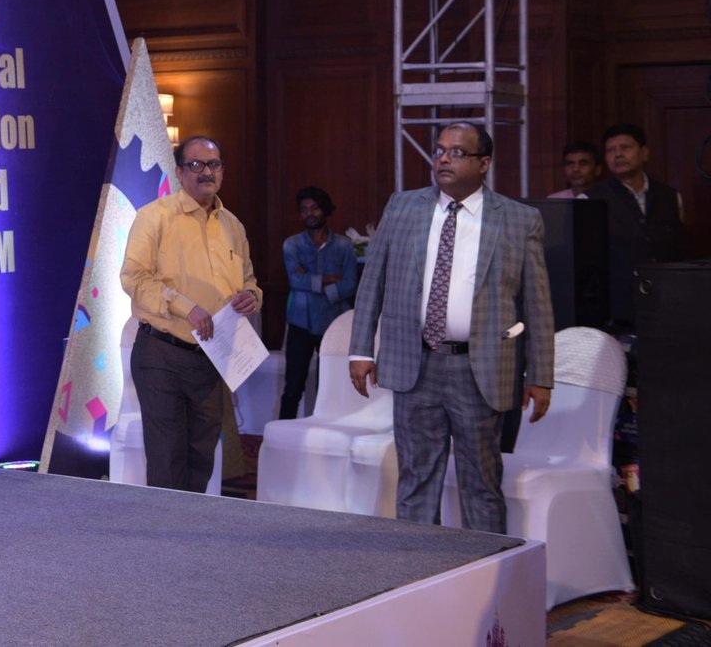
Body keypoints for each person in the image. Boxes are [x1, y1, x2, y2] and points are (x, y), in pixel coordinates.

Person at [348, 123, 555, 534]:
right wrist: (361, 350)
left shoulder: (519, 219)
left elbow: (537, 304)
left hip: (480, 369)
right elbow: (373, 282)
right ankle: (419, 566)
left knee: (481, 483)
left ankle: (487, 566)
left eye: (457, 153)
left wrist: (540, 374)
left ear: (484, 164)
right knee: (416, 479)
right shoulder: (402, 207)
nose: (443, 159)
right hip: (415, 363)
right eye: (439, 150)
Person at [119, 136, 261, 492]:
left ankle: (188, 527)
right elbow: (134, 278)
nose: (206, 172)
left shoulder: (233, 226)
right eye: (196, 165)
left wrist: (252, 296)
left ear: (222, 171)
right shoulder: (154, 217)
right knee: (167, 461)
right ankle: (165, 528)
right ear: (180, 172)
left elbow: (248, 280)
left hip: (212, 357)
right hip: (162, 355)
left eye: (213, 164)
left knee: (201, 460)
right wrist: (186, 307)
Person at [585, 122, 685, 326]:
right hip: (618, 308)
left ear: (644, 153)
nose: (618, 155)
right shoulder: (590, 200)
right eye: (610, 150)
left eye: (625, 147)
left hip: (669, 302)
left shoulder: (670, 196)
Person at [279, 186, 358, 419]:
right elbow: (295, 281)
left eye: (314, 208)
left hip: (333, 323)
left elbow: (350, 285)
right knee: (293, 386)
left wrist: (313, 282)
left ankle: (323, 433)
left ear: (324, 209)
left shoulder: (344, 246)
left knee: (329, 387)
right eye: (304, 209)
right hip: (301, 323)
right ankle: (283, 434)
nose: (309, 214)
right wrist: (330, 279)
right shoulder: (292, 245)